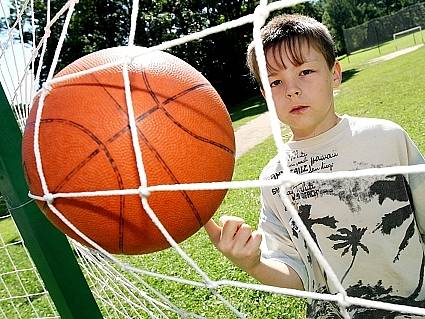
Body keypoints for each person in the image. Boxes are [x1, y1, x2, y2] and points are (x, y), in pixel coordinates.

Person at [204, 13, 425, 318]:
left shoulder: (386, 138)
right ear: (265, 96)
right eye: (275, 82)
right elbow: (297, 274)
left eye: (305, 71)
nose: (291, 89)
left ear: (335, 73)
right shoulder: (274, 178)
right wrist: (253, 264)